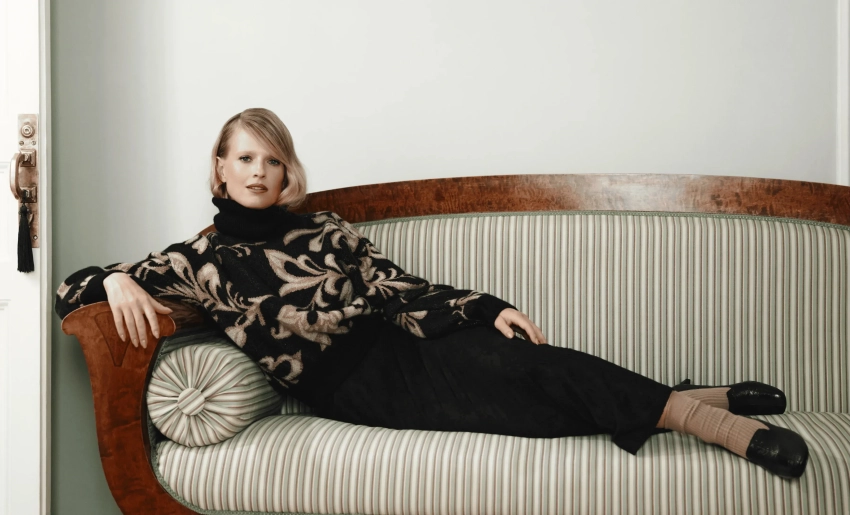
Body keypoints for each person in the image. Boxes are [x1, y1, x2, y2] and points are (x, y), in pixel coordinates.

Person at [55, 108, 808, 479]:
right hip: (359, 389)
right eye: (245, 158)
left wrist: (486, 308)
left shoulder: (323, 227)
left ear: (287, 173)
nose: (259, 172)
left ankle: (719, 425)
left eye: (272, 160)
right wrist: (117, 278)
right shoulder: (194, 262)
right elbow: (71, 289)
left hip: (408, 340)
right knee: (533, 416)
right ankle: (690, 396)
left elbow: (394, 287)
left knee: (533, 365)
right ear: (220, 168)